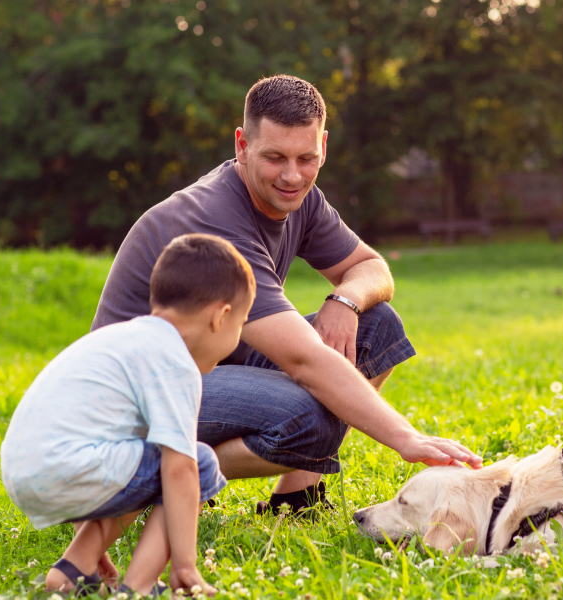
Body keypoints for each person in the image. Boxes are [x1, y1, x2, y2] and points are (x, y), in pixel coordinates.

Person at [92, 75, 482, 517]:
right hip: (137, 402)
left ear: (324, 147)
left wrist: (346, 300)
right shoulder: (217, 217)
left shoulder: (301, 198)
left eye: (306, 158)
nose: (292, 175)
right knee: (306, 415)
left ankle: (296, 499)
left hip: (214, 363)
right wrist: (407, 439)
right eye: (274, 157)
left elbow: (371, 268)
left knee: (379, 326)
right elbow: (304, 362)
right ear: (242, 144)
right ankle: (160, 477)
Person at [2, 234, 253, 595]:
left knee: (145, 461)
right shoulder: (174, 361)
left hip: (26, 470)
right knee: (197, 463)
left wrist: (92, 537)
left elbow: (105, 449)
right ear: (221, 316)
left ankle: (74, 569)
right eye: (242, 324)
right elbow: (179, 469)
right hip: (69, 467)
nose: (238, 336)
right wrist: (185, 564)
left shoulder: (125, 339)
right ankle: (140, 585)